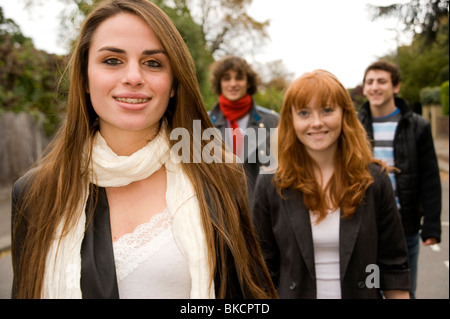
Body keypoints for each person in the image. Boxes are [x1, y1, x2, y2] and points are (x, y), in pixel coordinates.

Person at [11, 0, 277, 299]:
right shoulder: (34, 193)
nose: (134, 77)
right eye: (112, 60)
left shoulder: (222, 179)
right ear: (84, 77)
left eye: (153, 63)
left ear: (174, 83)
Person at [252, 70, 410, 299]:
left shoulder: (374, 180)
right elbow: (261, 271)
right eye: (304, 113)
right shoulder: (270, 183)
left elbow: (393, 267)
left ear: (344, 114)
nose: (316, 123)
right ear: (291, 120)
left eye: (327, 110)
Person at [358, 60, 442, 299]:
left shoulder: (417, 125)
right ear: (364, 88)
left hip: (405, 226)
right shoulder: (353, 125)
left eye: (381, 81)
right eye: (370, 82)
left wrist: (432, 225)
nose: (374, 87)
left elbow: (430, 178)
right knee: (366, 291)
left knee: (403, 290)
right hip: (364, 223)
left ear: (396, 87)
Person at [209, 56, 279, 197]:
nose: (233, 84)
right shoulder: (204, 122)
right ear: (220, 83)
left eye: (239, 78)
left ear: (248, 83)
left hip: (259, 210)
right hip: (219, 213)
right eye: (227, 78)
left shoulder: (272, 121)